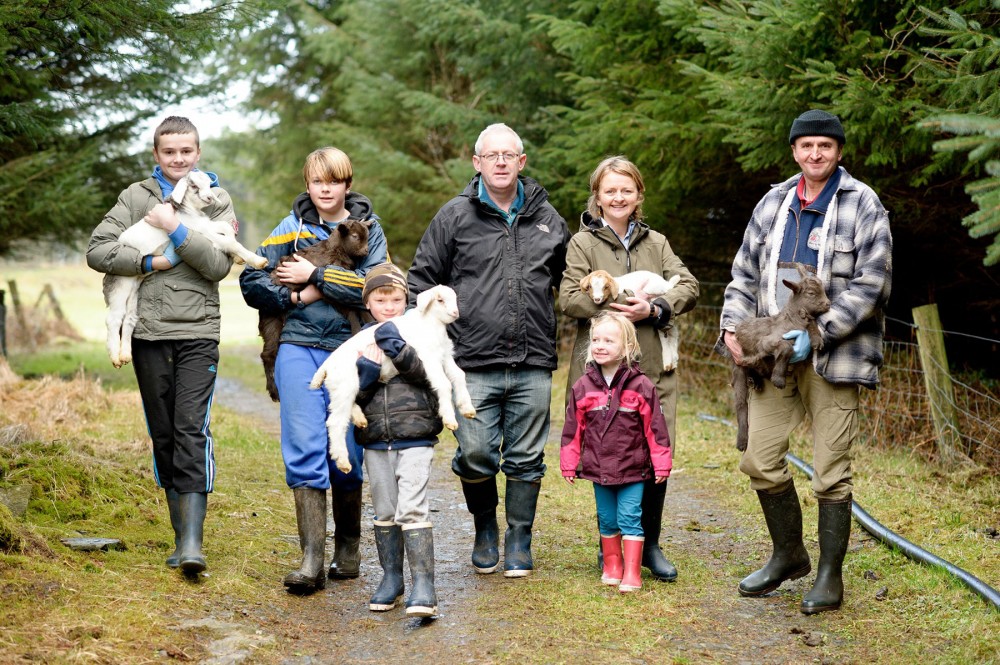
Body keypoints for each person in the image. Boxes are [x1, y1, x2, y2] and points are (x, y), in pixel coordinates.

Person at [716, 109, 892, 614]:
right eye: (806, 145)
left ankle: (830, 577)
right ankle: (789, 554)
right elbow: (744, 272)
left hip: (835, 357)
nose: (815, 154)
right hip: (770, 354)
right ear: (794, 150)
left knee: (830, 471)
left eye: (825, 146)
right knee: (760, 457)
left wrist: (818, 335)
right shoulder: (773, 202)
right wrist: (732, 325)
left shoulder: (862, 203)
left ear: (839, 151)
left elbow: (871, 284)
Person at [407, 123, 571, 578]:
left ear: (521, 162)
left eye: (509, 155)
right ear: (477, 163)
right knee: (476, 453)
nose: (500, 162)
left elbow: (570, 283)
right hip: (470, 363)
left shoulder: (548, 218)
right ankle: (484, 527)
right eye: (491, 155)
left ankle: (519, 537)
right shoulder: (454, 217)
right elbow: (419, 282)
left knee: (526, 458)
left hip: (534, 360)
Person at [86, 116, 238, 575]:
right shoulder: (135, 197)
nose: (178, 159)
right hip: (147, 335)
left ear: (197, 152)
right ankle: (178, 538)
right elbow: (98, 250)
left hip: (197, 332)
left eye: (186, 151)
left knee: (191, 429)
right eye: (169, 152)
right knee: (164, 433)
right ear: (157, 154)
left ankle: (193, 543)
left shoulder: (214, 196)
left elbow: (216, 265)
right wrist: (151, 260)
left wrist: (174, 228)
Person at [240, 147, 388, 593]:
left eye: (334, 180)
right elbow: (252, 282)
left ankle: (348, 546)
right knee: (305, 445)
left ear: (347, 183)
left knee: (345, 448)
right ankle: (310, 560)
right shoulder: (289, 229)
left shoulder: (370, 231)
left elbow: (376, 287)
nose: (325, 189)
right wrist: (296, 298)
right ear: (307, 185)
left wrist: (315, 276)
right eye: (317, 181)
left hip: (352, 347)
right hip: (297, 346)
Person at [559, 156, 699, 582]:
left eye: (626, 190)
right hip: (599, 374)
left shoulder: (656, 243)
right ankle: (611, 547)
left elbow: (688, 285)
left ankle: (649, 544)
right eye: (610, 191)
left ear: (638, 196)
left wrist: (655, 307)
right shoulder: (583, 244)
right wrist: (613, 305)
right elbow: (567, 297)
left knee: (654, 453)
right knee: (607, 455)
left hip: (652, 369)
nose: (618, 197)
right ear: (597, 198)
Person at [560, 312, 672, 593]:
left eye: (608, 340)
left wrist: (661, 464)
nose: (599, 345)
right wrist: (569, 462)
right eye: (595, 339)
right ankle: (612, 565)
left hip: (633, 468)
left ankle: (632, 571)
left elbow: (655, 429)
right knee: (607, 518)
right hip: (599, 468)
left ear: (627, 348)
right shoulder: (582, 387)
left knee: (629, 516)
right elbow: (573, 429)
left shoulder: (642, 386)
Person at [354, 263, 441, 617]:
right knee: (386, 509)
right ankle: (392, 578)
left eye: (396, 299)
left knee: (412, 507)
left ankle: (424, 584)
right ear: (369, 304)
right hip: (375, 440)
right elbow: (349, 400)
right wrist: (366, 377)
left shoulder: (420, 333)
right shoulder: (358, 341)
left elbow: (432, 376)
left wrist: (401, 352)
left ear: (406, 300)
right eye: (380, 299)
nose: (389, 306)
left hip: (415, 436)